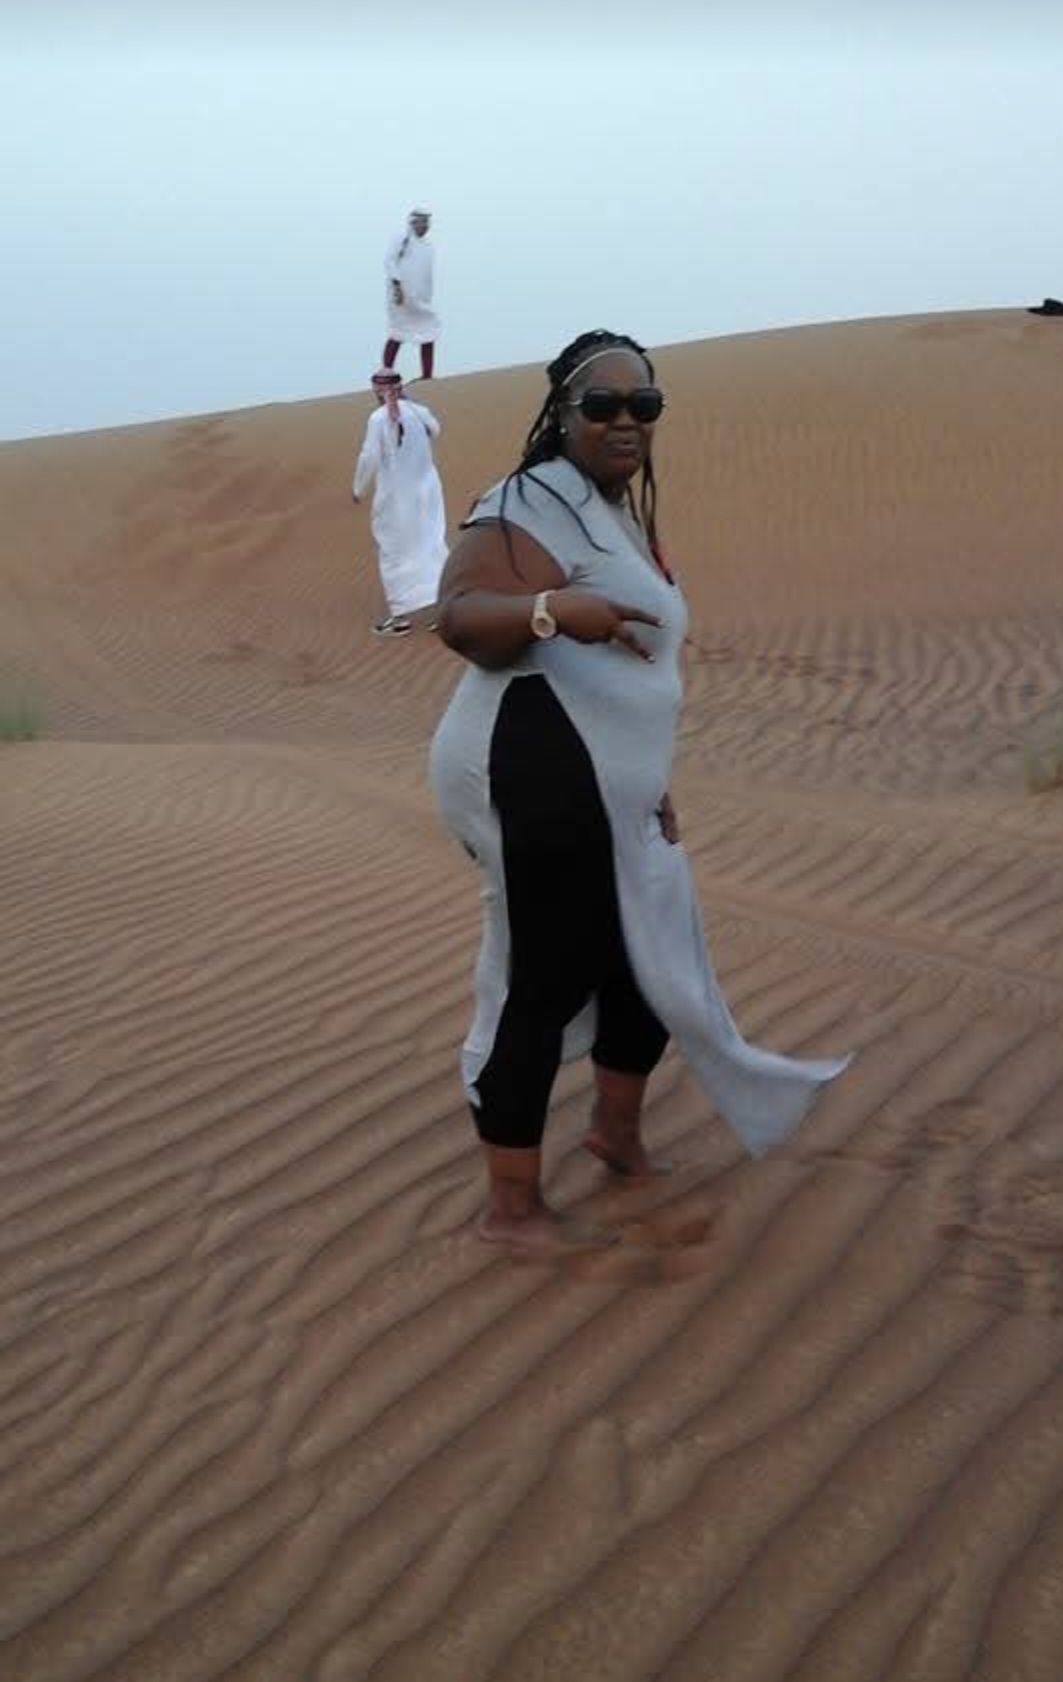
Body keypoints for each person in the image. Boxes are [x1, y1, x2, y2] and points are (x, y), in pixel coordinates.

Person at [429, 328, 852, 1252]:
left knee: (638, 958)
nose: (625, 421)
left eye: (643, 406)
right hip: (526, 762)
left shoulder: (611, 509)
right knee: (547, 974)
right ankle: (511, 1211)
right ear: (562, 415)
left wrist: (644, 782)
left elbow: (633, 677)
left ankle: (614, 1135)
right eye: (602, 405)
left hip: (605, 777)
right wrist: (552, 610)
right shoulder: (525, 501)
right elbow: (459, 616)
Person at [352, 368, 447, 636]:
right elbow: (436, 431)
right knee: (431, 543)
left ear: (377, 390)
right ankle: (443, 609)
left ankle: (399, 618)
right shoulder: (418, 410)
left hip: (396, 496)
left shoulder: (378, 418)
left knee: (393, 551)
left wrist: (358, 488)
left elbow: (369, 456)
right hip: (428, 492)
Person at [382, 208, 439, 380]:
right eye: (422, 222)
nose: (425, 226)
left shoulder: (428, 246)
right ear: (413, 223)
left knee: (429, 331)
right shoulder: (402, 238)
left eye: (427, 222)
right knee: (398, 332)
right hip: (402, 297)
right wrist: (397, 286)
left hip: (421, 299)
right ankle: (386, 372)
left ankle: (427, 376)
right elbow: (389, 261)